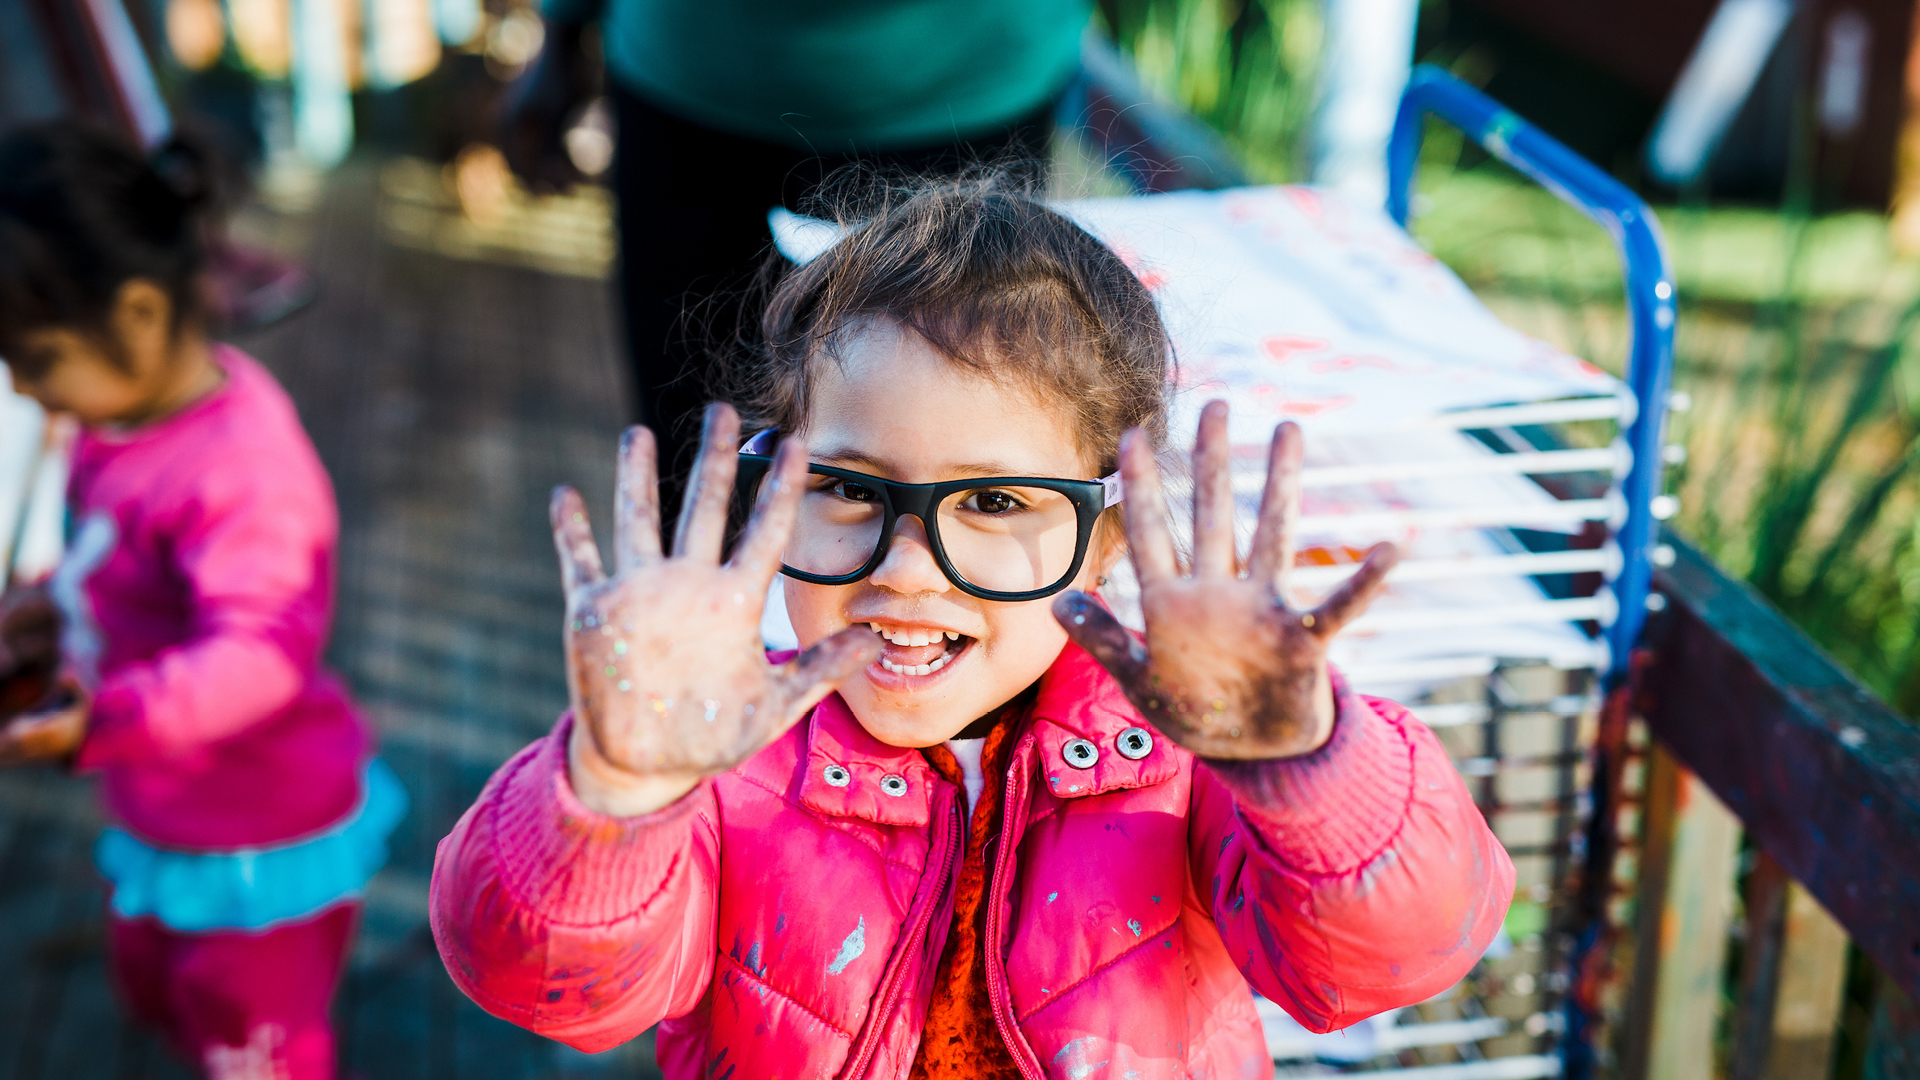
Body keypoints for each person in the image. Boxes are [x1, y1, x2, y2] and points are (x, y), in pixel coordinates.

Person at [429, 177, 1515, 1077]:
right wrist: (615, 795)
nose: (906, 570)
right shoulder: (712, 765)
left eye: (993, 503)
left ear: (1106, 538)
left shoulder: (1200, 763)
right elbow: (543, 986)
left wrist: (1305, 763)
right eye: (851, 488)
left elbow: (1395, 959)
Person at [0, 123, 403, 1080]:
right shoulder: (120, 420)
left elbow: (262, 652)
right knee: (158, 990)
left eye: (34, 357)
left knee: (253, 1040)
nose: (21, 385)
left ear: (137, 314)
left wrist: (102, 719)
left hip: (252, 836)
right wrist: (51, 608)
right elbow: (114, 562)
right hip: (163, 807)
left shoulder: (240, 470)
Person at [502, 0, 1091, 531]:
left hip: (959, 86)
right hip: (689, 86)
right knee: (695, 457)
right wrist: (562, 26)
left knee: (933, 465)